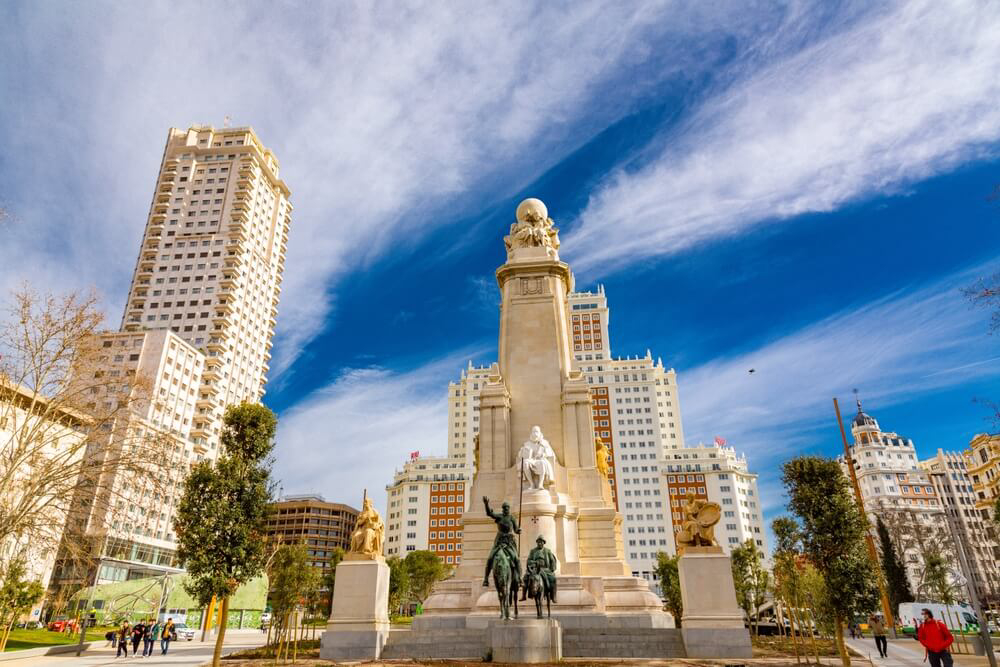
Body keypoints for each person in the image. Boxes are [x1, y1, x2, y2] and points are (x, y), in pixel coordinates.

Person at [481, 496, 521, 591]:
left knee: (516, 559)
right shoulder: (499, 516)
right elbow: (489, 513)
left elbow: (516, 530)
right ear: (503, 509)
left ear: (509, 509)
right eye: (505, 508)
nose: (506, 509)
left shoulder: (512, 518)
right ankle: (486, 579)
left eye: (507, 508)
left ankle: (519, 579)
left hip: (510, 542)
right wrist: (486, 504)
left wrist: (518, 530)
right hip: (499, 542)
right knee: (490, 558)